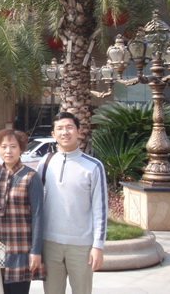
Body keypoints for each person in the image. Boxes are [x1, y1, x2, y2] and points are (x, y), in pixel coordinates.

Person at [37, 112, 107, 294]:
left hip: (81, 245)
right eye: (60, 128)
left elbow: (100, 209)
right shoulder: (46, 162)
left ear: (79, 131)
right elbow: (35, 201)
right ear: (53, 134)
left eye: (69, 127)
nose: (65, 132)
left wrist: (98, 246)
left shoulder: (93, 166)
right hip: (50, 243)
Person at [0, 129, 46, 294]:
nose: (8, 151)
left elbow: (38, 215)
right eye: (4, 147)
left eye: (13, 146)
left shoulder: (30, 176)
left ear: (21, 149)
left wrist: (36, 250)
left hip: (21, 248)